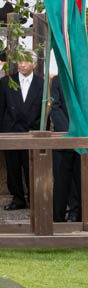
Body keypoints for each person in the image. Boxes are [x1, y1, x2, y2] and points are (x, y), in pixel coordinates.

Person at [0, 59, 44, 210]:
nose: (22, 65)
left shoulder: (41, 83)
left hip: (32, 132)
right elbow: (0, 109)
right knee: (13, 168)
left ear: (34, 64)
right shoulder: (6, 82)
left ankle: (34, 199)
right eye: (20, 61)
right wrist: (0, 133)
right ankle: (18, 198)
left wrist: (42, 133)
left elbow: (44, 111)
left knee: (32, 167)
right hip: (11, 131)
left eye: (27, 61)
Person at [50, 76, 83, 222]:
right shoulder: (58, 80)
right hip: (63, 137)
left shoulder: (84, 79)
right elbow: (55, 107)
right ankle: (58, 216)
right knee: (61, 180)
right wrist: (69, 132)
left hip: (82, 137)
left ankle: (76, 213)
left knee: (79, 179)